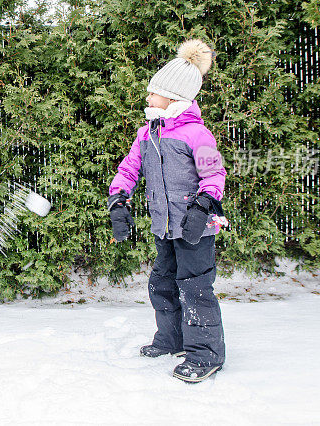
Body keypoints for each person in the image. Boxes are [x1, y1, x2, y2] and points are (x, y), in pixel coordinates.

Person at [107, 40, 228, 383]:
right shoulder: (147, 134)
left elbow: (213, 173)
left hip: (194, 228)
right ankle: (172, 338)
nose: (148, 98)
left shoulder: (197, 134)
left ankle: (205, 354)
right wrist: (118, 197)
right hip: (164, 225)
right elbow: (129, 169)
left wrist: (204, 205)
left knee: (196, 288)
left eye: (154, 92)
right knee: (162, 283)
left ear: (174, 98)